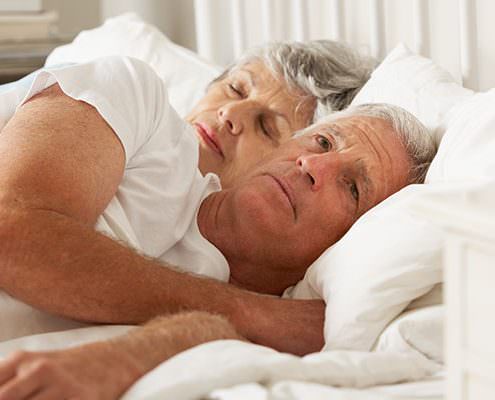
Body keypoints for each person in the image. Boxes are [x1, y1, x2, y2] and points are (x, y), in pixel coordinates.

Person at [0, 103, 436, 400]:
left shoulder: (270, 330)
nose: (313, 166)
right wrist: (254, 313)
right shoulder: (147, 123)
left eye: (353, 187)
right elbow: (11, 235)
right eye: (322, 142)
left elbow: (212, 331)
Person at [0, 40, 376, 349]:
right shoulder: (133, 92)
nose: (231, 112)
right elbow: (12, 234)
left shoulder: (210, 258)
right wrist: (256, 314)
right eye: (236, 88)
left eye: (266, 127)